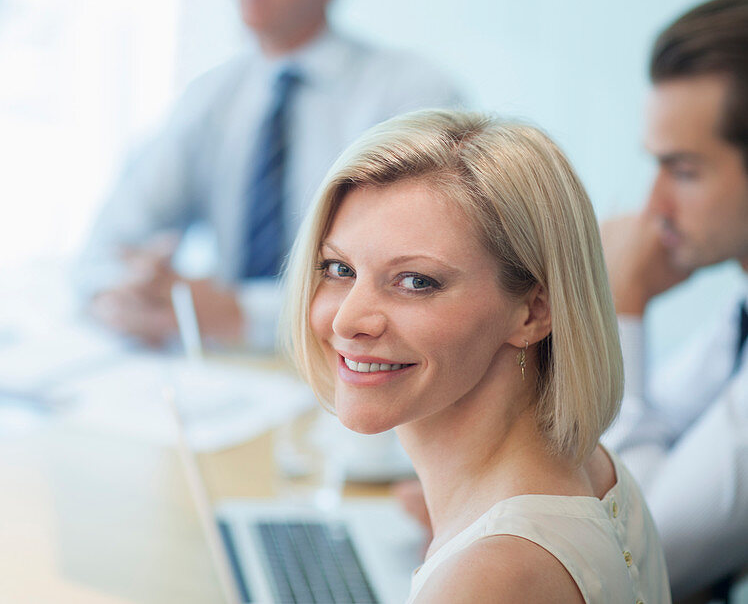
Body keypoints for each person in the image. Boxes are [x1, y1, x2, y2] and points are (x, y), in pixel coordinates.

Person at [284, 109, 671, 603]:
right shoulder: (594, 468)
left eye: (416, 281)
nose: (346, 321)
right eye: (339, 268)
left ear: (533, 310)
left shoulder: (492, 578)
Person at [79, 0, 462, 350]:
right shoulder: (214, 96)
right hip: (230, 380)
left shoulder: (411, 99)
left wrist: (237, 312)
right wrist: (126, 294)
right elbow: (106, 246)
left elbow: (411, 289)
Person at [601, 0, 748, 600]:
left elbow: (631, 561)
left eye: (683, 171)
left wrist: (620, 306)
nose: (654, 206)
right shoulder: (738, 312)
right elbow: (652, 423)